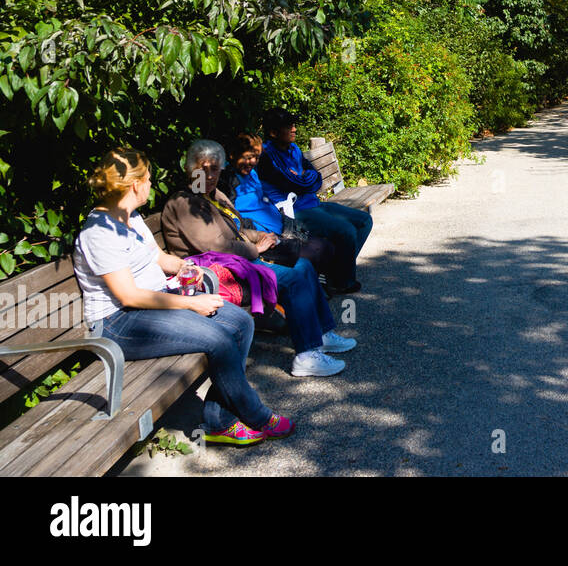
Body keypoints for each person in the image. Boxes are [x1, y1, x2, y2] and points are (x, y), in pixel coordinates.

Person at [73, 148, 293, 446]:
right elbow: (129, 296)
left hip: (153, 303)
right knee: (218, 339)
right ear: (135, 184)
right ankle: (257, 415)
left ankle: (218, 422)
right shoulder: (99, 232)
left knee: (241, 321)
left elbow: (159, 258)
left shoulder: (130, 218)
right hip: (118, 324)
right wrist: (190, 302)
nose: (151, 184)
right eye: (148, 179)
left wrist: (187, 267)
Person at [164, 140, 357, 377]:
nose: (210, 175)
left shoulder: (213, 195)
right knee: (294, 277)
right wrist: (256, 248)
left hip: (236, 262)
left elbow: (237, 228)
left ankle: (322, 334)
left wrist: (262, 236)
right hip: (216, 273)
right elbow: (216, 246)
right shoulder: (186, 203)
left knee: (304, 265)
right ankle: (306, 356)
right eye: (203, 169)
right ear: (190, 169)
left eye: (215, 169)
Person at [258, 108, 371, 297]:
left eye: (294, 124)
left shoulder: (293, 149)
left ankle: (335, 272)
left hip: (312, 203)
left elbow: (315, 179)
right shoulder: (266, 156)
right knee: (346, 230)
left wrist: (303, 178)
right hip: (293, 211)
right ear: (273, 132)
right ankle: (341, 282)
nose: (294, 129)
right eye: (289, 126)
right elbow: (292, 183)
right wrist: (303, 179)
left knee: (363, 221)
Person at [223, 133, 354, 293]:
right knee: (317, 250)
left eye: (256, 158)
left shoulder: (251, 173)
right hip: (262, 236)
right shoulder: (228, 182)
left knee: (326, 247)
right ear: (233, 155)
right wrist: (257, 236)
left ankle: (314, 287)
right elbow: (230, 219)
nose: (253, 162)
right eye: (248, 157)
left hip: (281, 225)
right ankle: (307, 290)